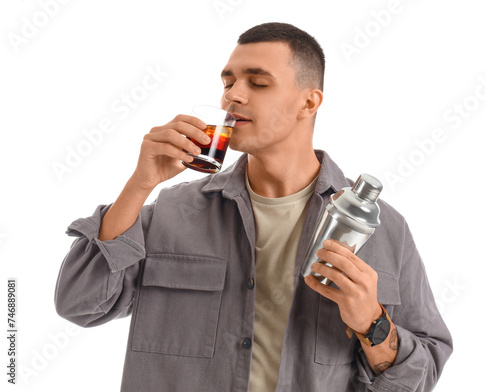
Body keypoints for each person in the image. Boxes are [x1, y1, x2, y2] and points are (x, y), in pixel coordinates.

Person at [54, 22, 453, 392]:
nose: (233, 94)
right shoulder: (173, 209)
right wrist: (139, 185)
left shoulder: (383, 230)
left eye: (258, 83)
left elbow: (421, 375)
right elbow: (80, 304)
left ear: (309, 102)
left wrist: (373, 323)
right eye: (228, 81)